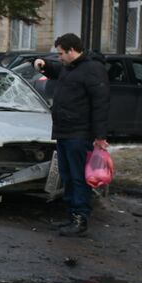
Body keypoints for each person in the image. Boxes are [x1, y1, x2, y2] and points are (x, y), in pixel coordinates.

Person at [34, 33, 109, 237]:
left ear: (72, 50)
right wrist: (45, 65)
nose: (59, 58)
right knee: (67, 177)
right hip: (64, 132)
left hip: (79, 133)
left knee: (78, 178)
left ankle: (80, 219)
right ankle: (71, 216)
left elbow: (100, 104)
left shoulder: (92, 70)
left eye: (60, 54)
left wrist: (100, 136)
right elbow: (58, 69)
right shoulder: (70, 67)